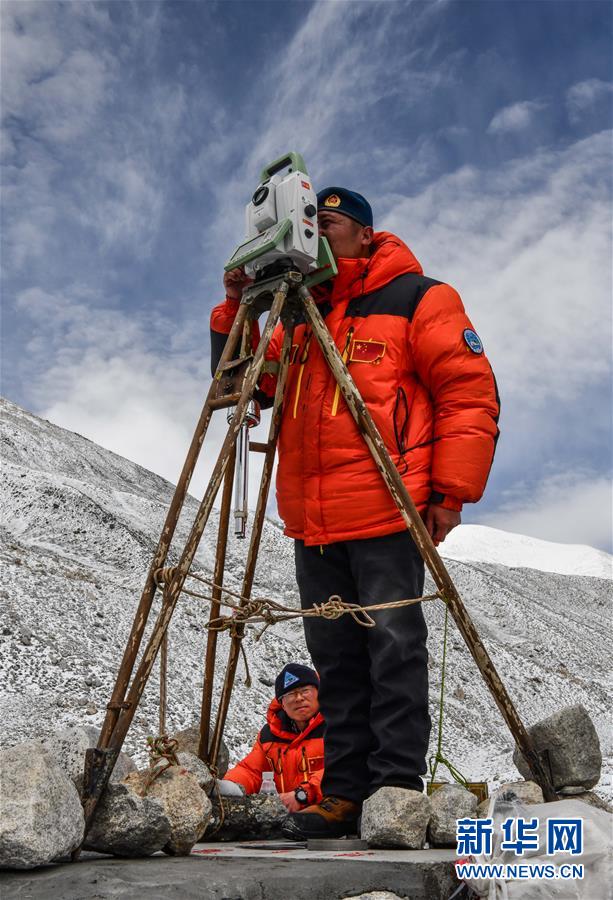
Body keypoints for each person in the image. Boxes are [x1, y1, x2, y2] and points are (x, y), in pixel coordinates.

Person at [210, 186, 500, 839]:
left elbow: (469, 394)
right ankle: (341, 794)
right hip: (312, 522)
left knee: (394, 650)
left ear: (365, 234)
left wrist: (448, 495)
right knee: (334, 661)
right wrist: (237, 305)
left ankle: (394, 789)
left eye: (327, 223)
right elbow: (240, 386)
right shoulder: (294, 318)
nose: (312, 237)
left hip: (387, 508)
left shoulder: (418, 298)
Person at [221, 663, 325, 812]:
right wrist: (230, 787)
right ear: (282, 703)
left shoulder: (336, 726)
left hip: (331, 816)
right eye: (290, 694)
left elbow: (343, 767)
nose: (299, 698)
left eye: (305, 691)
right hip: (288, 819)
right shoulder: (269, 736)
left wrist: (303, 794)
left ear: (318, 693)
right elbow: (251, 771)